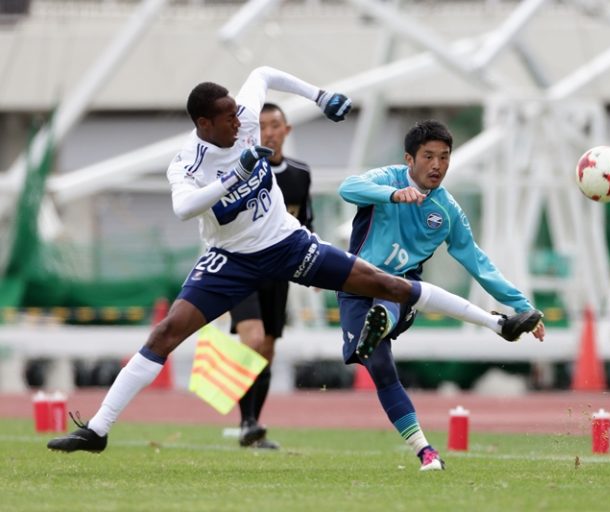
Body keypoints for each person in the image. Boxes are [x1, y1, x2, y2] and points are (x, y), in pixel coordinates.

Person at [47, 66, 541, 454]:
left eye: (239, 114)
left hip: (288, 245)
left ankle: (498, 324)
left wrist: (320, 97)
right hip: (231, 259)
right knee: (166, 333)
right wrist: (234, 176)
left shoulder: (242, 117)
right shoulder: (188, 164)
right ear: (203, 125)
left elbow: (263, 72)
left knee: (385, 283)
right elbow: (183, 208)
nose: (242, 122)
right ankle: (98, 429)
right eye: (228, 119)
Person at [337, 120, 546, 472]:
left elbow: (478, 262)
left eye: (444, 157)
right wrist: (392, 195)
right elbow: (348, 187)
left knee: (392, 292)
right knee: (382, 370)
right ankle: (425, 451)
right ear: (409, 159)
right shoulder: (388, 179)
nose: (437, 165)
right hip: (356, 288)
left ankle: (384, 321)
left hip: (404, 291)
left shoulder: (447, 211)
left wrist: (523, 306)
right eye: (428, 156)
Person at [230, 102, 314, 450]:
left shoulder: (300, 174)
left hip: (277, 274)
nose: (269, 132)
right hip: (241, 270)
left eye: (275, 125)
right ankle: (247, 423)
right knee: (251, 341)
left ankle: (252, 425)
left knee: (266, 350)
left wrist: (314, 268)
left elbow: (306, 224)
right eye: (262, 126)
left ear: (286, 130)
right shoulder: (244, 171)